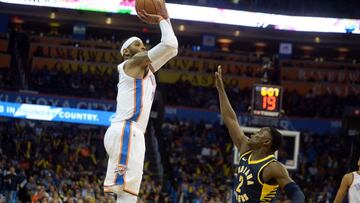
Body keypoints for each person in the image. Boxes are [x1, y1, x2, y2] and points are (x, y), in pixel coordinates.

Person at [102, 1, 178, 202]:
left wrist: (166, 18)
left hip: (133, 133)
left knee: (127, 196)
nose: (143, 47)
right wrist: (162, 19)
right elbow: (168, 44)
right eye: (137, 44)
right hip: (126, 130)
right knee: (125, 196)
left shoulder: (146, 70)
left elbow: (173, 49)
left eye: (143, 44)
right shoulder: (131, 63)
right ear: (126, 52)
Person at [214, 66, 305, 203]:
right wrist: (221, 90)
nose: (255, 133)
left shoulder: (273, 167)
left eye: (261, 132)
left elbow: (297, 194)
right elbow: (230, 119)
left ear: (267, 142)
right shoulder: (245, 148)